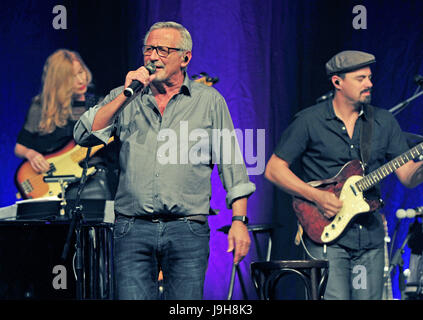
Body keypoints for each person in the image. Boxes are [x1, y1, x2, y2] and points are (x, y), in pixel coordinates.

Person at [73, 21, 255, 300]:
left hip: (187, 229)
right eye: (149, 49)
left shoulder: (209, 101)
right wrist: (125, 93)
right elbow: (84, 135)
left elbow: (232, 164)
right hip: (132, 228)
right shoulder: (126, 97)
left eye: (163, 50)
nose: (153, 57)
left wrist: (239, 220)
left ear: (185, 57)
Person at [265, 50, 423, 300]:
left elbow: (407, 176)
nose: (369, 84)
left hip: (369, 236)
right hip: (326, 234)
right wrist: (316, 196)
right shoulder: (310, 120)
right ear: (337, 82)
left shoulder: (383, 121)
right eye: (361, 78)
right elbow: (274, 169)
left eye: (370, 78)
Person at [15, 49, 118, 200]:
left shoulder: (98, 104)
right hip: (49, 181)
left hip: (89, 179)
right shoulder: (40, 107)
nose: (80, 80)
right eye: (71, 77)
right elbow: (20, 147)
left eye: (81, 72)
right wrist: (31, 154)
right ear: (57, 81)